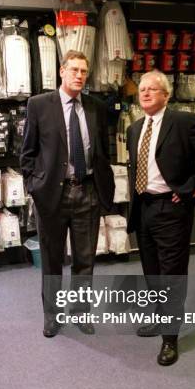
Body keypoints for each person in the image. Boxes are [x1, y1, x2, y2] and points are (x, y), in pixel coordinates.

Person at [127, 70, 195, 365]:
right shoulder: (135, 128)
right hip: (143, 208)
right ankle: (160, 319)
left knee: (172, 275)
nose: (145, 93)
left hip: (172, 209)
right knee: (153, 272)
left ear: (166, 95)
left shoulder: (181, 121)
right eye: (142, 89)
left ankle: (170, 339)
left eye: (152, 89)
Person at [21, 50, 115, 337]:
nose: (79, 75)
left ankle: (80, 312)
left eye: (83, 71)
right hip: (52, 196)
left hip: (87, 192)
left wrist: (101, 188)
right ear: (62, 71)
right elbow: (27, 152)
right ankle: (51, 314)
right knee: (51, 259)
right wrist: (34, 186)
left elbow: (102, 151)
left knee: (85, 260)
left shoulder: (96, 106)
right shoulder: (39, 105)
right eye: (74, 69)